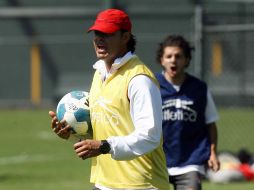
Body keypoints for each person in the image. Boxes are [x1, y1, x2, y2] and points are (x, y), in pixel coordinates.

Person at [49, 9, 170, 190]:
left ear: (125, 37)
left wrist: (105, 146)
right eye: (97, 33)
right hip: (105, 182)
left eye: (107, 34)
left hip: (141, 184)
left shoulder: (139, 80)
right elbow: (108, 127)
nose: (99, 39)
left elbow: (150, 136)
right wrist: (73, 133)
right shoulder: (99, 74)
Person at [155, 35, 220, 190]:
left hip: (190, 160)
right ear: (162, 60)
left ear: (187, 60)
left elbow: (210, 123)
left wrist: (213, 153)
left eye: (178, 56)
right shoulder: (152, 85)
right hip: (157, 159)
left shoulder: (199, 88)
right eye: (168, 56)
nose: (173, 60)